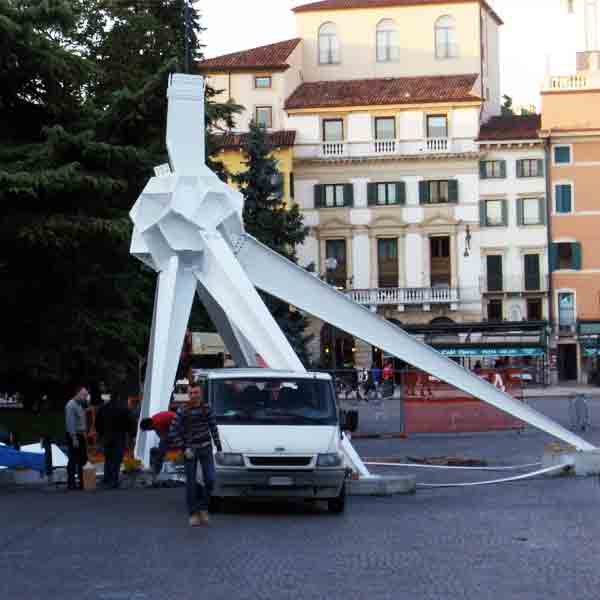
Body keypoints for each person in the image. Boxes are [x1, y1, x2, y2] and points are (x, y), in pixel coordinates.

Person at [169, 384, 222, 527]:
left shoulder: (207, 408)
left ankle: (204, 508)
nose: (194, 395)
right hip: (190, 450)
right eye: (191, 393)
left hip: (205, 448)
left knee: (210, 479)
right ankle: (193, 513)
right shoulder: (182, 410)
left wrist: (219, 446)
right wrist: (183, 446)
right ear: (188, 394)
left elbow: (213, 427)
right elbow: (173, 430)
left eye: (196, 392)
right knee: (191, 483)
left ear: (201, 393)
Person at [95, 389, 137, 489]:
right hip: (119, 436)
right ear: (118, 397)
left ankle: (107, 478)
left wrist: (101, 434)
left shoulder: (103, 408)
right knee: (117, 458)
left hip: (106, 436)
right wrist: (132, 435)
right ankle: (114, 480)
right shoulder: (124, 408)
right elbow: (131, 422)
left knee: (108, 458)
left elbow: (97, 423)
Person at [139, 409, 177, 481]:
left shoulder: (157, 422)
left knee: (161, 451)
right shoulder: (153, 421)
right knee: (161, 448)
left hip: (177, 424)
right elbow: (161, 435)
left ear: (149, 426)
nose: (149, 430)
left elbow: (163, 435)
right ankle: (156, 470)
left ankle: (155, 471)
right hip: (172, 424)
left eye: (147, 429)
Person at [64, 386, 90, 490]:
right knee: (74, 459)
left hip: (80, 434)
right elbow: (70, 423)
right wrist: (74, 438)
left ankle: (82, 482)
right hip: (74, 435)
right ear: (78, 394)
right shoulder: (71, 405)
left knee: (82, 459)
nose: (86, 397)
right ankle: (71, 483)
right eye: (84, 395)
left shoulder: (80, 405)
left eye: (86, 395)